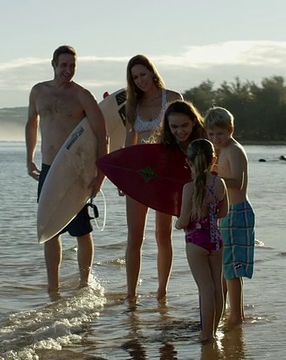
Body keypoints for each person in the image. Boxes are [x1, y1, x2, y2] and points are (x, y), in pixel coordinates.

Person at [25, 45, 108, 293]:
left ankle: (85, 283)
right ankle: (54, 288)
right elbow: (31, 123)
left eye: (72, 66)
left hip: (76, 170)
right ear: (53, 64)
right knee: (50, 229)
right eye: (63, 65)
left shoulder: (82, 96)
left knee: (81, 231)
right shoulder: (38, 92)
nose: (68, 70)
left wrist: (99, 175)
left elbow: (102, 134)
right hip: (49, 168)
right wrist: (29, 159)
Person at [123, 55, 183, 301]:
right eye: (135, 78)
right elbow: (130, 142)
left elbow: (182, 134)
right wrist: (123, 176)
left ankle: (161, 291)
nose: (140, 81)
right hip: (139, 176)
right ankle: (131, 293)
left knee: (163, 234)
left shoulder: (172, 99)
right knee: (134, 236)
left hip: (166, 175)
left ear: (152, 72)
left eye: (143, 74)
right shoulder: (132, 105)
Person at [204, 106, 255, 328]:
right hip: (226, 213)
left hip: (237, 212)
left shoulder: (233, 150)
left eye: (220, 134)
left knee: (233, 267)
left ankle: (236, 315)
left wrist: (214, 177)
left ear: (230, 129)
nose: (216, 138)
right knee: (225, 266)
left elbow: (238, 183)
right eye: (211, 134)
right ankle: (225, 310)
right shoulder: (220, 150)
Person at [175, 138, 229, 344]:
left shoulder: (189, 188)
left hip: (196, 242)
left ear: (188, 162)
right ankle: (214, 330)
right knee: (217, 287)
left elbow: (184, 220)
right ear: (213, 159)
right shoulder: (220, 183)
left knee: (205, 289)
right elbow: (224, 212)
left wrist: (177, 224)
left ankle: (206, 336)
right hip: (216, 240)